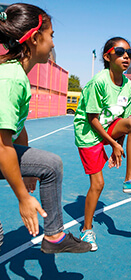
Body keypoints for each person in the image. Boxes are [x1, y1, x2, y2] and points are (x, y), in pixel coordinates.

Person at [0, 3, 91, 254]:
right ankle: (54, 236)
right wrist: (23, 197)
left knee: (47, 165)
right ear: (34, 38)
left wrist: (28, 168)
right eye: (51, 36)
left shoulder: (15, 74)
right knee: (50, 164)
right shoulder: (9, 79)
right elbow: (1, 145)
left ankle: (54, 236)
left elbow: (18, 129)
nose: (52, 43)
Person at [74, 37, 131, 251]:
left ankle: (130, 179)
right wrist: (113, 143)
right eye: (121, 52)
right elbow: (92, 119)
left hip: (109, 128)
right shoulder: (99, 81)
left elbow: (125, 120)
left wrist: (117, 146)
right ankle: (86, 230)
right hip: (88, 132)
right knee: (98, 184)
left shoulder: (128, 85)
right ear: (107, 56)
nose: (126, 57)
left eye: (130, 53)